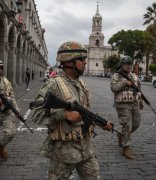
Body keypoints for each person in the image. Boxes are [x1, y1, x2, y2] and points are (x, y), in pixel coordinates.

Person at [31, 41, 113, 179]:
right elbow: (36, 112)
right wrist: (64, 114)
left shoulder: (82, 84)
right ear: (69, 62)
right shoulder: (53, 84)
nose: (85, 63)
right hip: (63, 153)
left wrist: (101, 123)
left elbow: (85, 112)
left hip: (86, 150)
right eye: (81, 59)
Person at [110, 56, 143, 160]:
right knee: (127, 125)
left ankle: (122, 135)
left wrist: (141, 101)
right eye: (126, 64)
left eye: (130, 64)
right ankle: (126, 147)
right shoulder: (116, 76)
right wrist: (124, 82)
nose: (128, 66)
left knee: (136, 124)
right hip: (122, 105)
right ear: (122, 65)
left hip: (134, 104)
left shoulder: (134, 76)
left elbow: (138, 89)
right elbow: (114, 88)